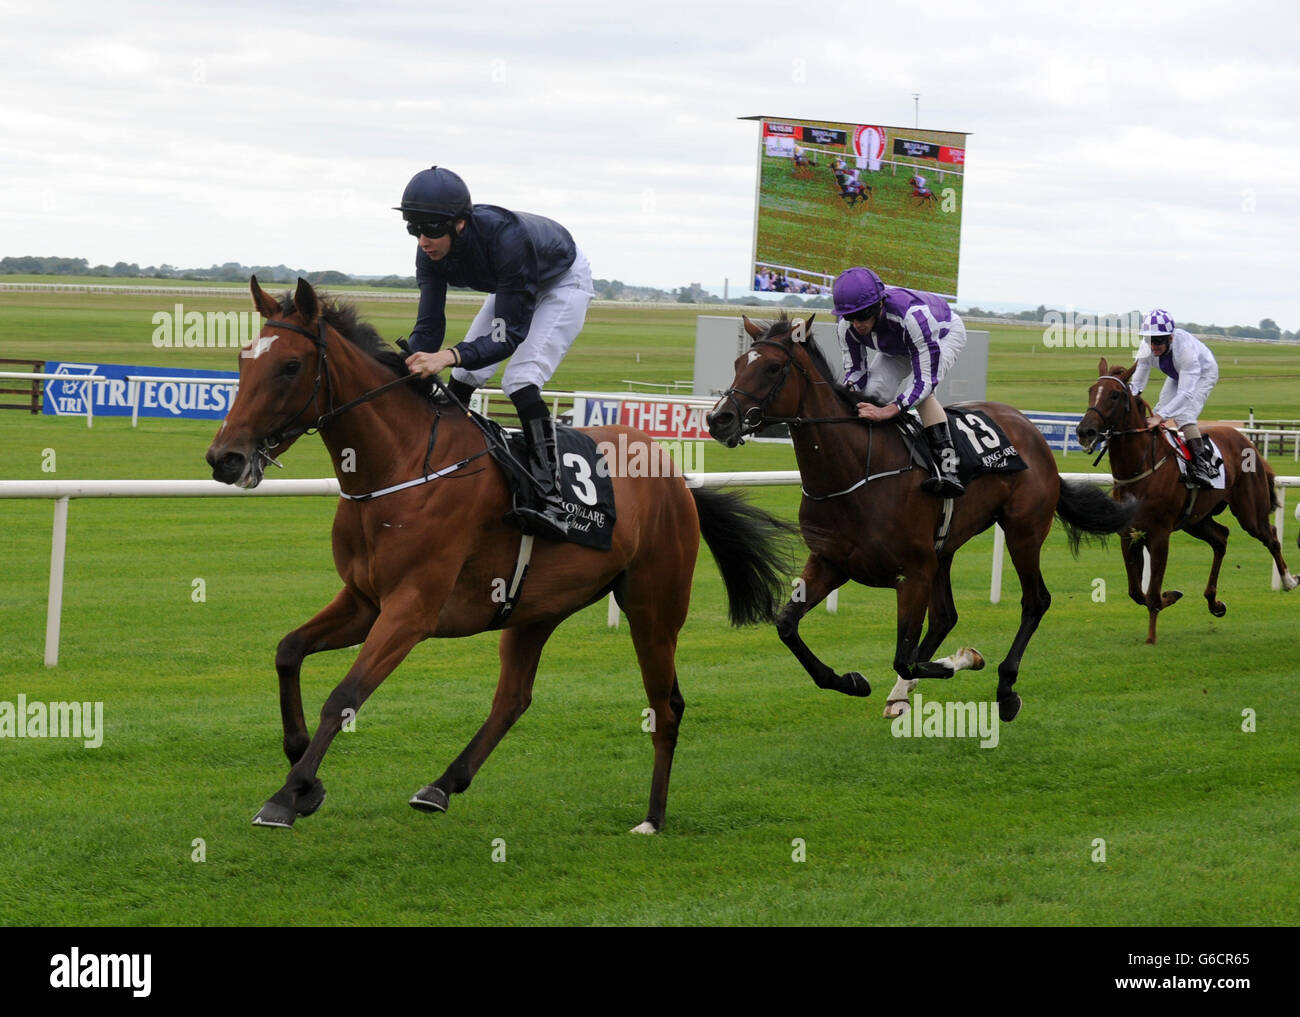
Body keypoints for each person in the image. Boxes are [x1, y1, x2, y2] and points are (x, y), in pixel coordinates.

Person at [397, 165, 594, 539]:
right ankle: (443, 470)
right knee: (464, 375)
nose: (423, 241)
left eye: (431, 230)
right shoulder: (428, 253)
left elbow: (508, 338)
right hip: (514, 283)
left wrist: (446, 355)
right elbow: (428, 329)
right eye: (414, 229)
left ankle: (552, 502)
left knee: (520, 378)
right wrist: (402, 365)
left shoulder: (507, 240)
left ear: (459, 224)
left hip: (561, 282)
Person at [831, 266, 967, 496]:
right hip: (897, 345)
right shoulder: (846, 328)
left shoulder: (913, 317)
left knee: (923, 397)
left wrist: (888, 411)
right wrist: (848, 392)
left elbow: (924, 382)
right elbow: (855, 372)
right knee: (871, 394)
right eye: (850, 317)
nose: (857, 324)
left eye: (863, 315)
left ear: (879, 305)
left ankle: (948, 468)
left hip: (942, 335)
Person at [1128, 309, 1220, 488]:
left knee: (1184, 415)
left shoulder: (1185, 351)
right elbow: (1136, 386)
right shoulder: (1146, 347)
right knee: (1157, 411)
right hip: (1177, 373)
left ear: (1170, 338)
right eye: (1149, 340)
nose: (1153, 346)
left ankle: (1202, 466)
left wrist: (1160, 417)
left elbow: (1185, 394)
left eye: (1158, 341)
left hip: (1203, 373)